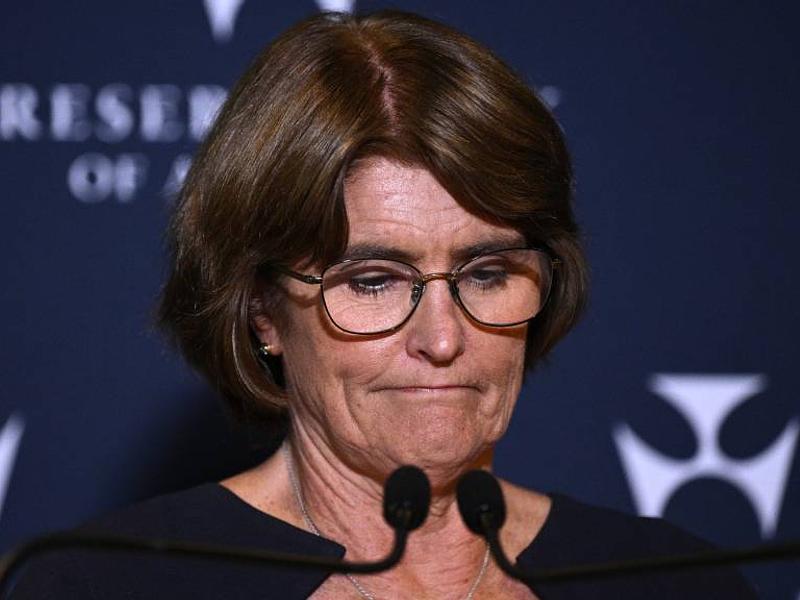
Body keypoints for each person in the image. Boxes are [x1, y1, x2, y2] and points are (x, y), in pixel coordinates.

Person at [11, 9, 756, 599]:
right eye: (373, 281)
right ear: (263, 311)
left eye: (487, 273)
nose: (443, 338)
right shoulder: (109, 583)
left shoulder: (666, 580)